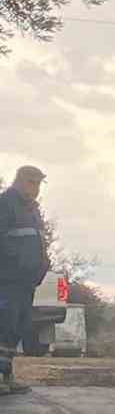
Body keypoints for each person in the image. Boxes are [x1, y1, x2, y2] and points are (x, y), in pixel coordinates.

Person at [0, 165, 50, 396]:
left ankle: (6, 375)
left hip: (26, 283)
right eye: (32, 182)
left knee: (15, 330)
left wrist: (42, 267)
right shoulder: (5, 204)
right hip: (7, 280)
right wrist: (15, 264)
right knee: (4, 326)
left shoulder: (32, 210)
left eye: (39, 183)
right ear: (19, 181)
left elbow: (38, 243)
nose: (36, 188)